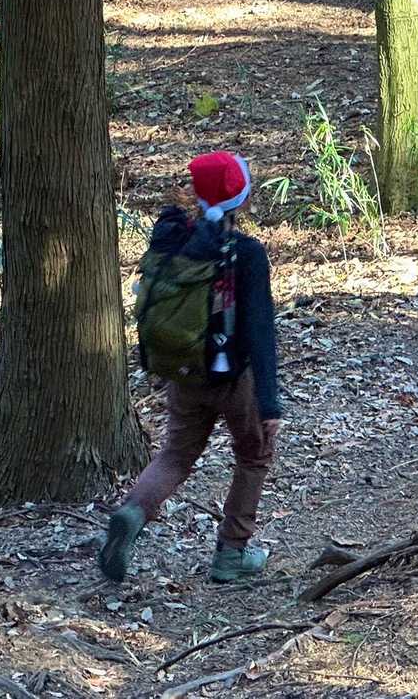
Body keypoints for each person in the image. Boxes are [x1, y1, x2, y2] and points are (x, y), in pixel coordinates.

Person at [99, 151, 282, 585]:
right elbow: (260, 329)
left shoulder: (175, 240)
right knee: (254, 453)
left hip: (184, 373)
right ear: (242, 199)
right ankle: (232, 553)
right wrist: (269, 403)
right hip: (234, 378)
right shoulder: (246, 253)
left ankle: (133, 511)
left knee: (176, 455)